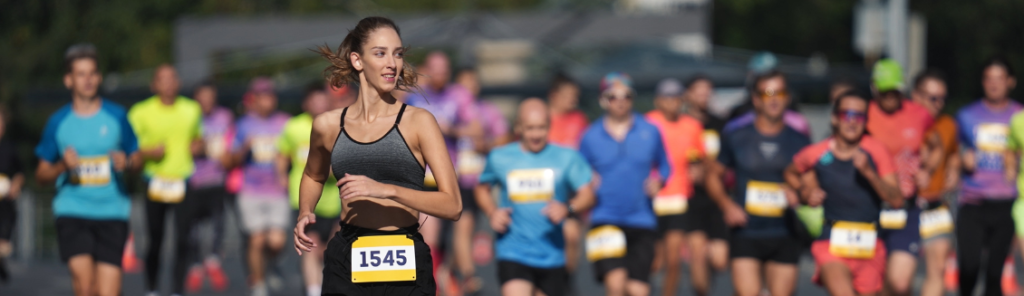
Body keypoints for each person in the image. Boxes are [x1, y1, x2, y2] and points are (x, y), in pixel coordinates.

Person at [295, 16, 462, 295]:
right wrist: (304, 211)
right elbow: (313, 174)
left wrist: (386, 190)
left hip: (405, 254)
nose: (392, 63)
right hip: (348, 254)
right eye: (380, 53)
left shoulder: (419, 122)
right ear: (358, 61)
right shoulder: (327, 125)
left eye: (397, 54)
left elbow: (453, 205)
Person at [35, 43, 141, 296]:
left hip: (111, 211)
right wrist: (62, 165)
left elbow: (137, 158)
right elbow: (41, 175)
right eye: (80, 74)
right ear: (68, 80)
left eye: (92, 73)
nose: (88, 79)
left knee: (108, 292)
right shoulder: (58, 122)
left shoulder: (117, 116)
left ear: (100, 77)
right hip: (73, 209)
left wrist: (126, 163)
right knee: (85, 288)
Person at [786, 90, 904, 296]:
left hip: (870, 245)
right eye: (846, 115)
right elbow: (790, 172)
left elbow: (896, 199)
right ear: (834, 118)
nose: (852, 122)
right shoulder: (817, 152)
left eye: (859, 116)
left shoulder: (877, 151)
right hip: (831, 243)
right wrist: (805, 192)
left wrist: (870, 173)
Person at [475, 98, 596, 296]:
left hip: (552, 254)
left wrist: (568, 208)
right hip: (513, 250)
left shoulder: (567, 157)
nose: (536, 134)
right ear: (518, 127)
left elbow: (588, 195)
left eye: (542, 128)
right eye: (530, 128)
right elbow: (482, 189)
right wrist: (492, 212)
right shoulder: (500, 157)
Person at [706, 70, 809, 296]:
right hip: (746, 232)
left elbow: (810, 184)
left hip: (784, 232)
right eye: (767, 93)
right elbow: (712, 175)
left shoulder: (799, 140)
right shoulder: (737, 136)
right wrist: (726, 205)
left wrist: (800, 194)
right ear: (756, 99)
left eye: (780, 92)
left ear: (788, 97)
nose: (774, 98)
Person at [579, 72, 670, 296]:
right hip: (604, 218)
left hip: (642, 220)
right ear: (603, 100)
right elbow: (577, 171)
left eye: (626, 96)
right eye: (613, 96)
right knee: (616, 284)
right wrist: (587, 178)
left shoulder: (650, 130)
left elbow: (666, 165)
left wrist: (659, 181)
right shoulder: (590, 136)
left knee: (638, 290)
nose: (620, 101)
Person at [404, 51, 477, 294]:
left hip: (452, 178)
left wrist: (453, 129)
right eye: (435, 68)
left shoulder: (459, 95)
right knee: (430, 237)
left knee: (456, 240)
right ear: (426, 69)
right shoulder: (414, 96)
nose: (440, 74)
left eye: (445, 68)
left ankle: (450, 278)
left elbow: (477, 128)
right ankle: (432, 285)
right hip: (423, 178)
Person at [128, 64, 204, 296]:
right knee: (156, 238)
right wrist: (149, 153)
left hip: (182, 179)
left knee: (183, 239)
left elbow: (197, 139)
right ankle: (152, 288)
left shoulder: (192, 109)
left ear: (179, 82)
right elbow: (131, 151)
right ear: (154, 84)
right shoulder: (140, 112)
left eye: (173, 78)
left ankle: (177, 290)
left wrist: (198, 146)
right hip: (155, 180)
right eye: (163, 79)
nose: (169, 83)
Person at [862, 59, 935, 296]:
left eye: (896, 91)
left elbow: (937, 146)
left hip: (906, 207)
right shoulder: (863, 115)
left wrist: (928, 170)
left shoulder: (919, 114)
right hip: (870, 207)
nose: (891, 97)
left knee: (901, 284)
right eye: (885, 92)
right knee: (873, 284)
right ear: (874, 88)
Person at [957, 57, 1022, 296]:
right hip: (973, 201)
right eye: (988, 78)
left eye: (1000, 78)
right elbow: (953, 151)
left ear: (1010, 82)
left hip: (1007, 202)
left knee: (995, 273)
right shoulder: (966, 115)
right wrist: (963, 157)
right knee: (969, 266)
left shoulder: (1020, 117)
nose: (994, 84)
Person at [277, 83, 341, 296]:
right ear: (305, 103)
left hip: (334, 200)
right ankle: (313, 291)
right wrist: (281, 177)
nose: (318, 104)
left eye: (322, 99)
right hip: (304, 200)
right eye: (314, 100)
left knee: (331, 250)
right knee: (310, 248)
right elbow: (283, 153)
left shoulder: (339, 125)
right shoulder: (293, 127)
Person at [230, 77, 291, 296]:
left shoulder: (285, 122)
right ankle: (258, 283)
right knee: (256, 240)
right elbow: (230, 160)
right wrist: (243, 150)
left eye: (271, 95)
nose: (268, 100)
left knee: (276, 242)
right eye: (263, 96)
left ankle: (272, 264)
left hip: (277, 190)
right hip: (251, 190)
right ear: (254, 99)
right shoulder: (243, 124)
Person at [452, 67, 510, 292]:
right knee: (463, 224)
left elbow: (504, 137)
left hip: (482, 180)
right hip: (454, 179)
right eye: (463, 83)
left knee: (470, 227)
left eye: (473, 82)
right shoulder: (449, 110)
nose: (469, 88)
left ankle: (453, 273)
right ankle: (468, 275)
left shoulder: (488, 111)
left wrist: (486, 145)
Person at [645, 78, 705, 296]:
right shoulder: (647, 123)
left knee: (674, 260)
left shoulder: (692, 126)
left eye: (677, 97)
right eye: (668, 97)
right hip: (651, 197)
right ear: (658, 100)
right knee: (653, 262)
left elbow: (698, 158)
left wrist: (697, 170)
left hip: (679, 196)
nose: (673, 102)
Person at [909, 70, 959, 296]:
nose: (938, 104)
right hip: (904, 207)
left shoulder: (947, 124)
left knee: (938, 268)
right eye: (932, 98)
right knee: (900, 276)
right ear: (915, 96)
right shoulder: (900, 124)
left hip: (935, 206)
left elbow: (954, 154)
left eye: (942, 98)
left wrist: (955, 168)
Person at [681, 74, 729, 296]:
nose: (704, 95)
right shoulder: (680, 124)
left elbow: (729, 160)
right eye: (698, 91)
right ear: (688, 95)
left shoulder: (721, 125)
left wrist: (710, 168)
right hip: (692, 198)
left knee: (719, 260)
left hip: (718, 196)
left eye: (707, 91)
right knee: (697, 255)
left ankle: (707, 284)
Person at [0, 106, 25, 283]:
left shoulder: (9, 148)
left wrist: (16, 184)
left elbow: (21, 172)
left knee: (3, 247)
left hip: (5, 207)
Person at [548, 74, 588, 149]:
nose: (574, 100)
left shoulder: (579, 118)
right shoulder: (541, 119)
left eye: (575, 96)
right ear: (554, 96)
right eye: (568, 96)